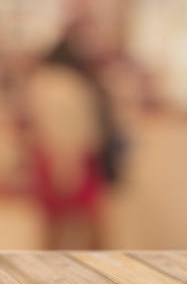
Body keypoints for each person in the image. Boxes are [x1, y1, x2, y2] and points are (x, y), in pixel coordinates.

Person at [21, 25, 125, 249]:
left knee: (55, 223)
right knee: (91, 221)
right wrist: (69, 161)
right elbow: (77, 127)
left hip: (51, 155)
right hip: (74, 157)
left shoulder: (40, 82)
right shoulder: (71, 84)